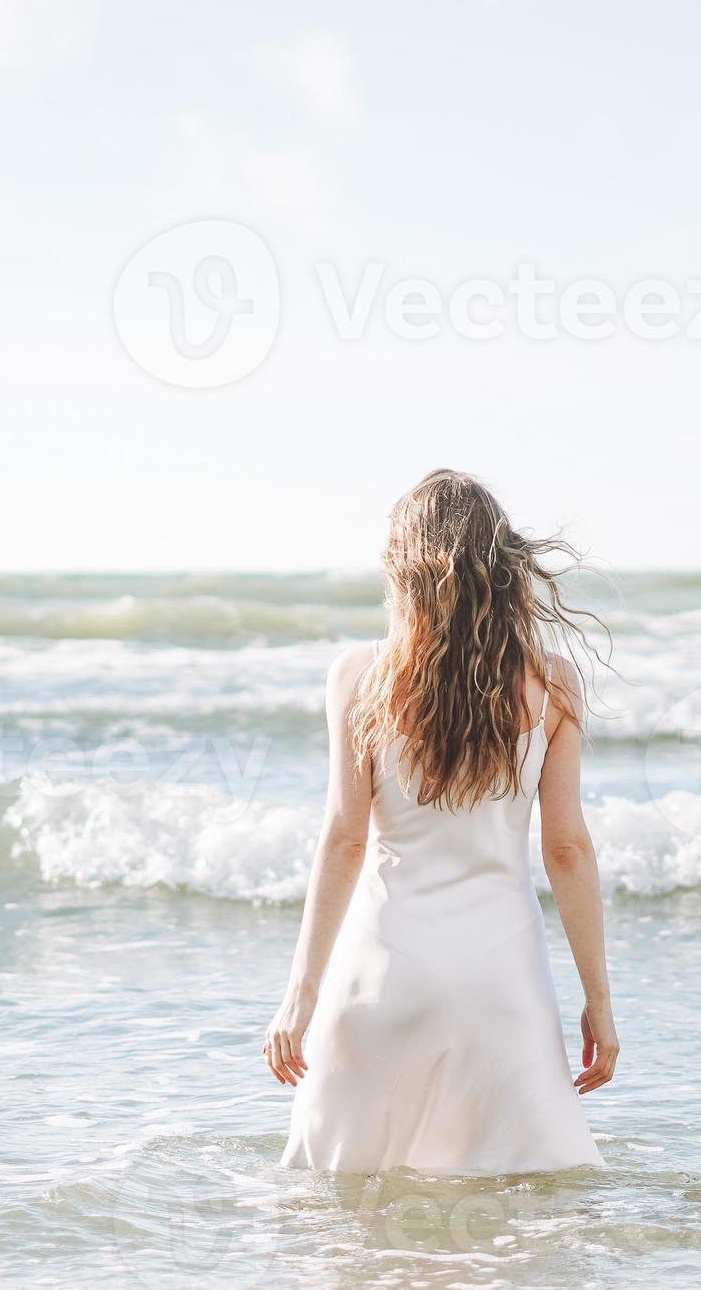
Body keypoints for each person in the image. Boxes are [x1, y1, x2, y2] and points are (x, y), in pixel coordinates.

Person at [264, 471, 618, 1174]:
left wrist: (298, 999)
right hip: (501, 984)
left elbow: (345, 838)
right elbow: (567, 849)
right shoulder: (551, 683)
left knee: (335, 1209)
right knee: (529, 1204)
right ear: (503, 565)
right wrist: (598, 1002)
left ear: (403, 569)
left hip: (382, 977)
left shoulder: (359, 676)